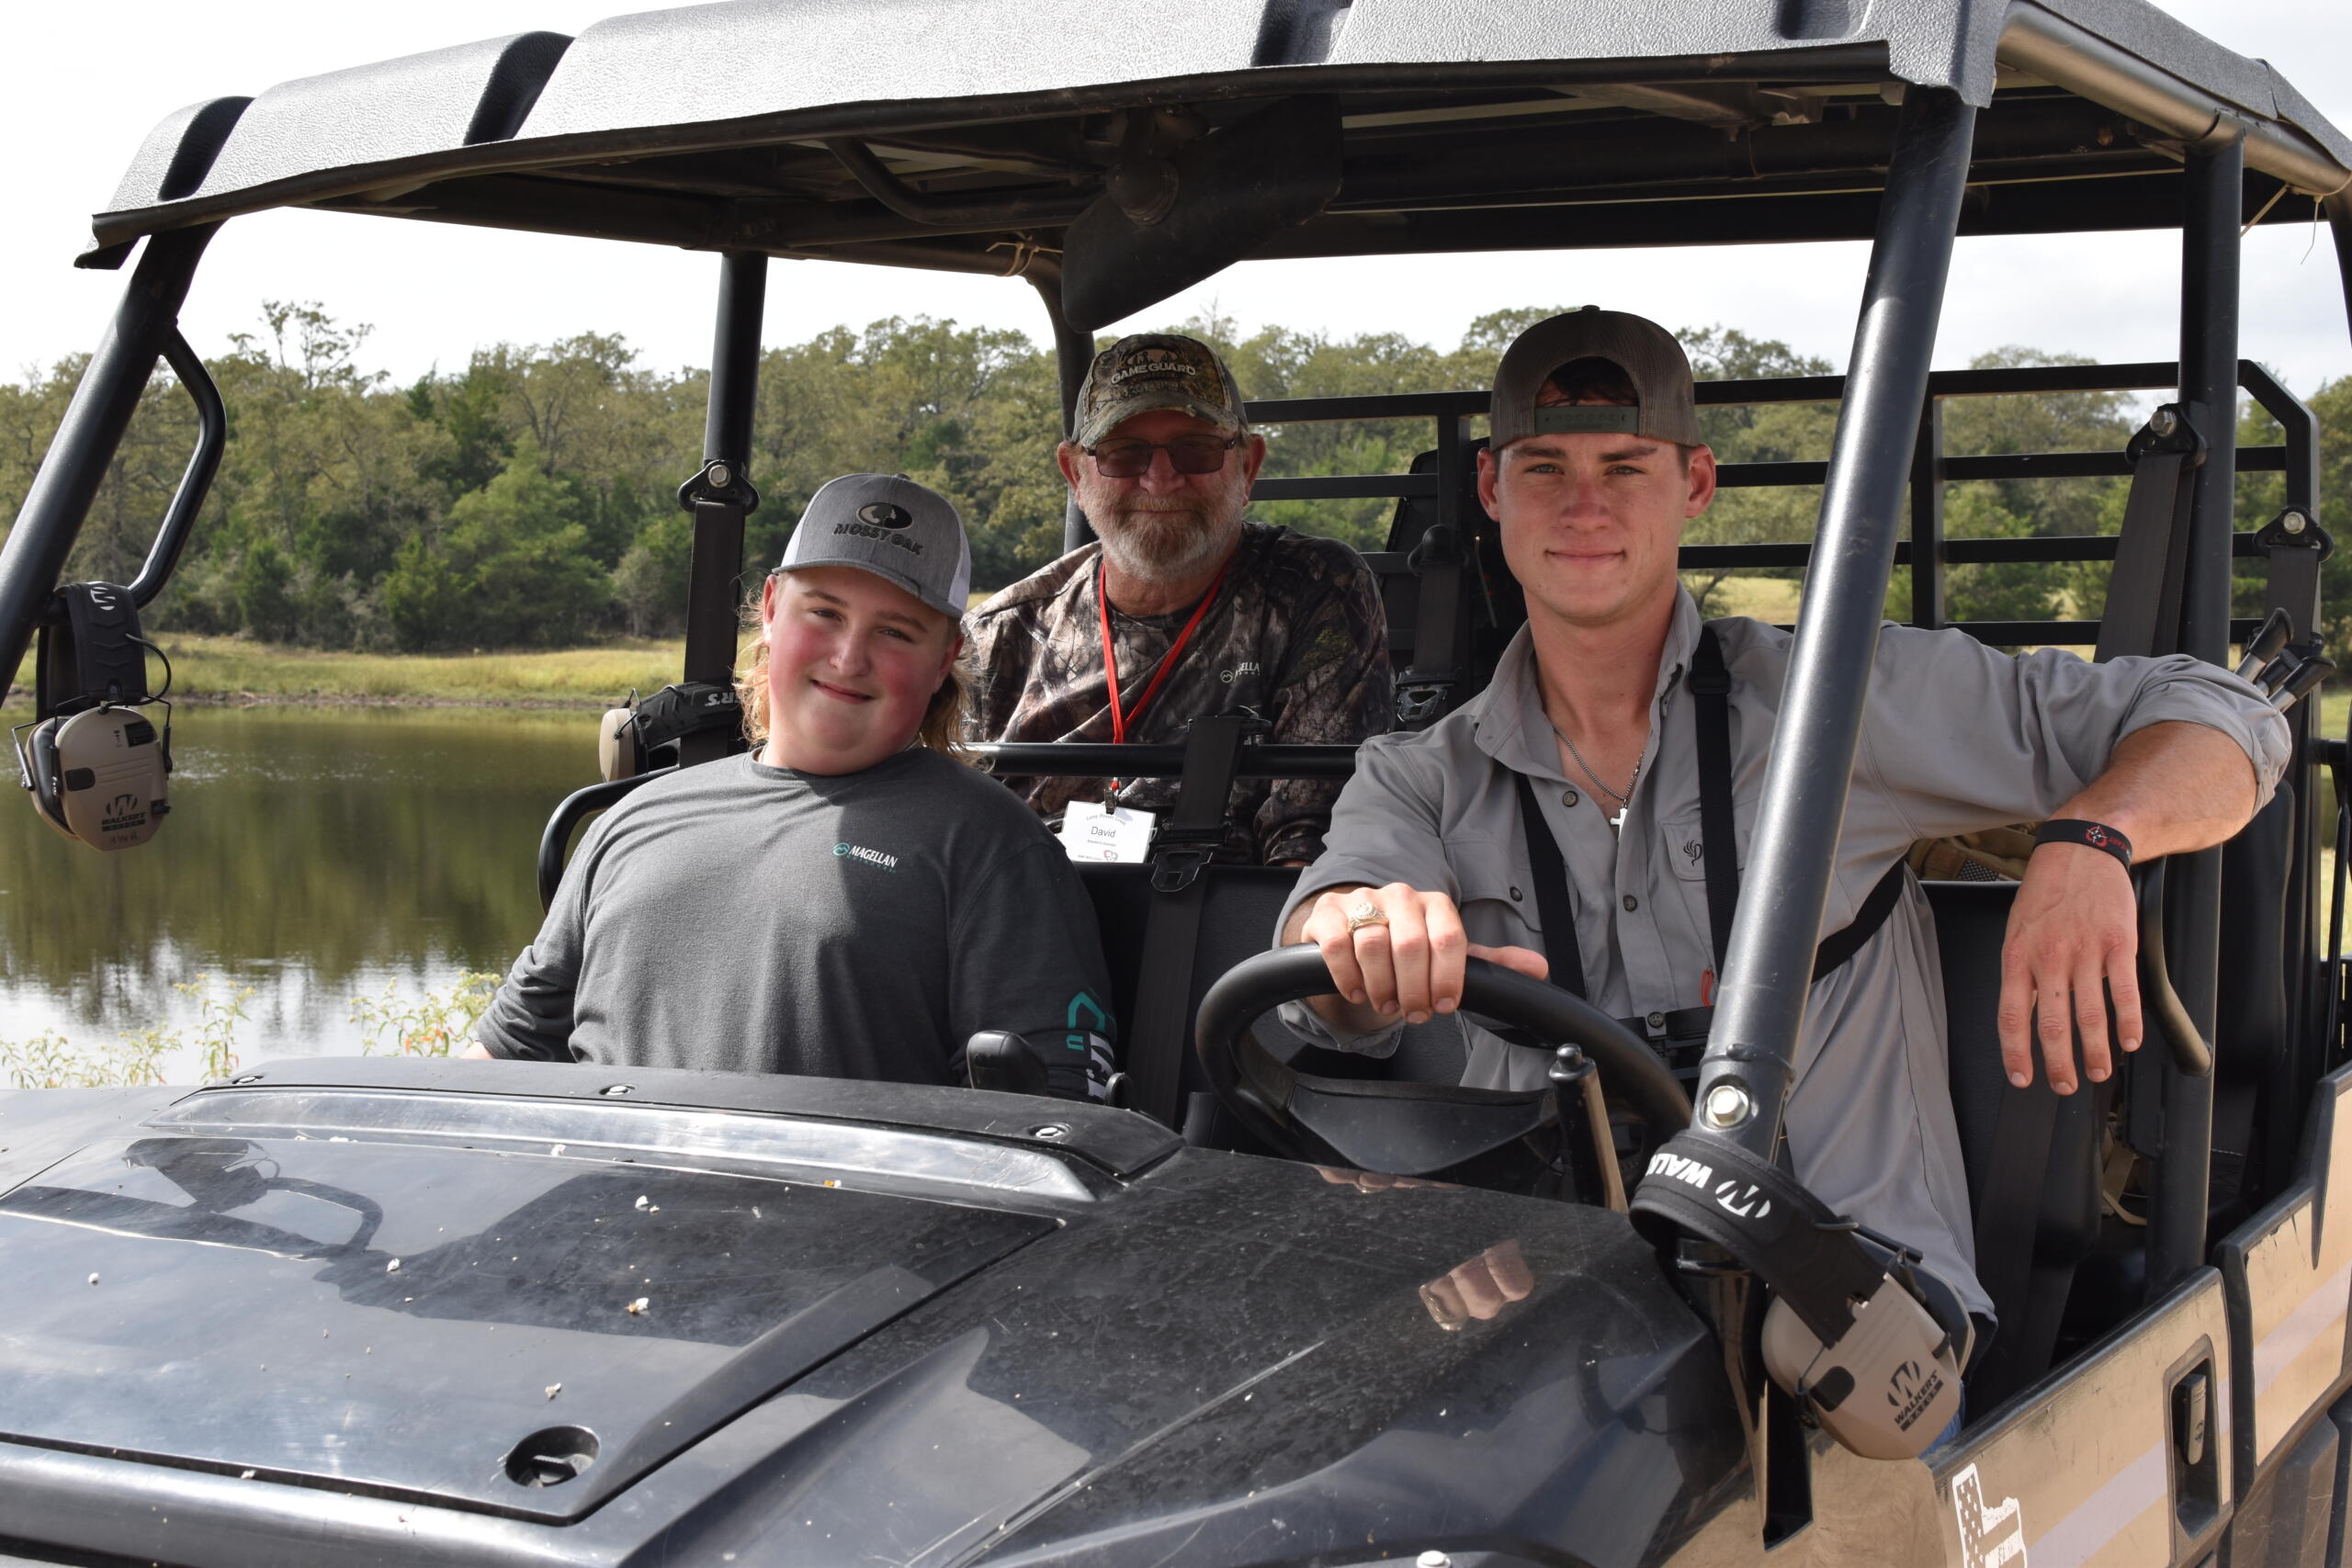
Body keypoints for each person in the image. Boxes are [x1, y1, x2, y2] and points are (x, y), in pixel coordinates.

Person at [1276, 307, 2290, 1325]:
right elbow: (1327, 958)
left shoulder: (1838, 704)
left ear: (1696, 484)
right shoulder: (1421, 775)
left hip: (1850, 1319)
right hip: (1553, 1314)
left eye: (1625, 467)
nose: (1584, 506)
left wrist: (2091, 840)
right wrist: (1357, 938)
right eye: (1544, 468)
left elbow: (2223, 713)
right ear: (1492, 490)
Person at [469, 473, 1118, 1101]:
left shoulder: (993, 847)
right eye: (825, 613)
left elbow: (1052, 1120)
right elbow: (499, 1061)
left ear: (945, 658)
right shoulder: (631, 819)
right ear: (773, 609)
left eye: (894, 631)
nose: (848, 658)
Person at [966, 333, 1391, 865]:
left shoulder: (1314, 590)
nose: (1161, 479)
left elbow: (1311, 844)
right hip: (1023, 905)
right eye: (1124, 453)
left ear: (1248, 466)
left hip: (1227, 912)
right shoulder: (999, 635)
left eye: (1196, 449)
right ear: (1075, 473)